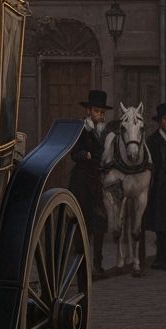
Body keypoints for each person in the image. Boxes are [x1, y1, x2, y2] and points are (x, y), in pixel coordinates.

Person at [69, 89, 109, 278]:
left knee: (100, 222)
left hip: (98, 182)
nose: (100, 115)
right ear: (88, 111)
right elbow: (73, 153)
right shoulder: (81, 129)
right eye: (96, 111)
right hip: (82, 181)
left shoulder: (104, 132)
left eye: (102, 112)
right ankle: (81, 267)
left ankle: (98, 265)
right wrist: (85, 155)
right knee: (82, 223)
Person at [145, 102, 166, 269]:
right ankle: (161, 259)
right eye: (165, 120)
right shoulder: (152, 140)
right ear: (159, 121)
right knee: (161, 225)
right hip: (159, 188)